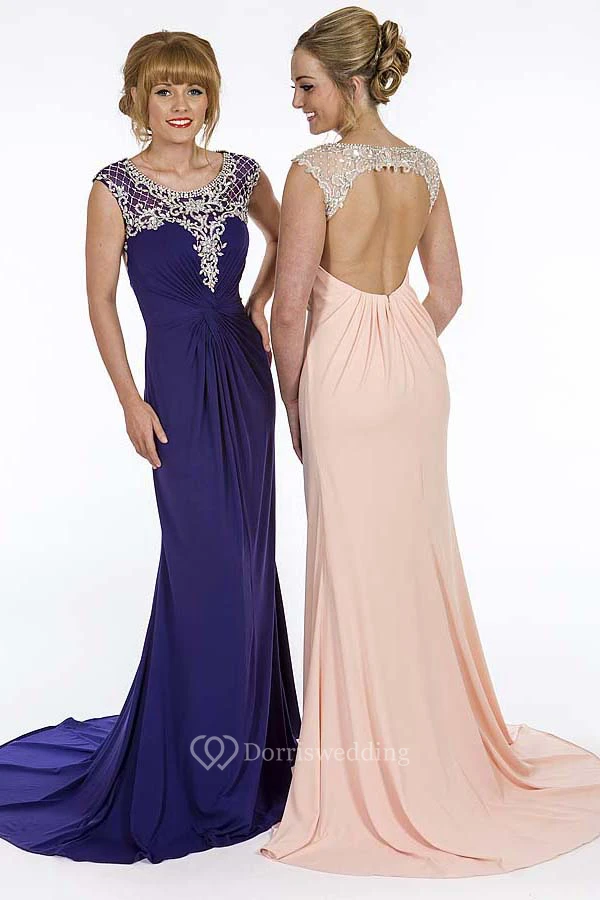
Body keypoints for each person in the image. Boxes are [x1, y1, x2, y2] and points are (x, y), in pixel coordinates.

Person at [259, 6, 600, 877]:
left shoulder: (313, 171)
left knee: (350, 564)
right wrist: (396, 341)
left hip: (340, 382)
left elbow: (289, 311)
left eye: (306, 85)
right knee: (413, 556)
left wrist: (297, 402)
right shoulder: (425, 168)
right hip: (416, 379)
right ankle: (437, 752)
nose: (298, 103)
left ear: (350, 82)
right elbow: (445, 292)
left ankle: (366, 772)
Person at [0, 30, 300, 864]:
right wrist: (130, 398)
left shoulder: (243, 174)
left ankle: (248, 749)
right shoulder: (114, 188)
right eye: (164, 90)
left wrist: (258, 309)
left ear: (212, 98)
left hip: (242, 375)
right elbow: (99, 299)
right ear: (136, 97)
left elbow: (289, 243)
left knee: (249, 557)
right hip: (173, 387)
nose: (180, 106)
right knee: (204, 558)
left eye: (194, 91)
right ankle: (196, 760)